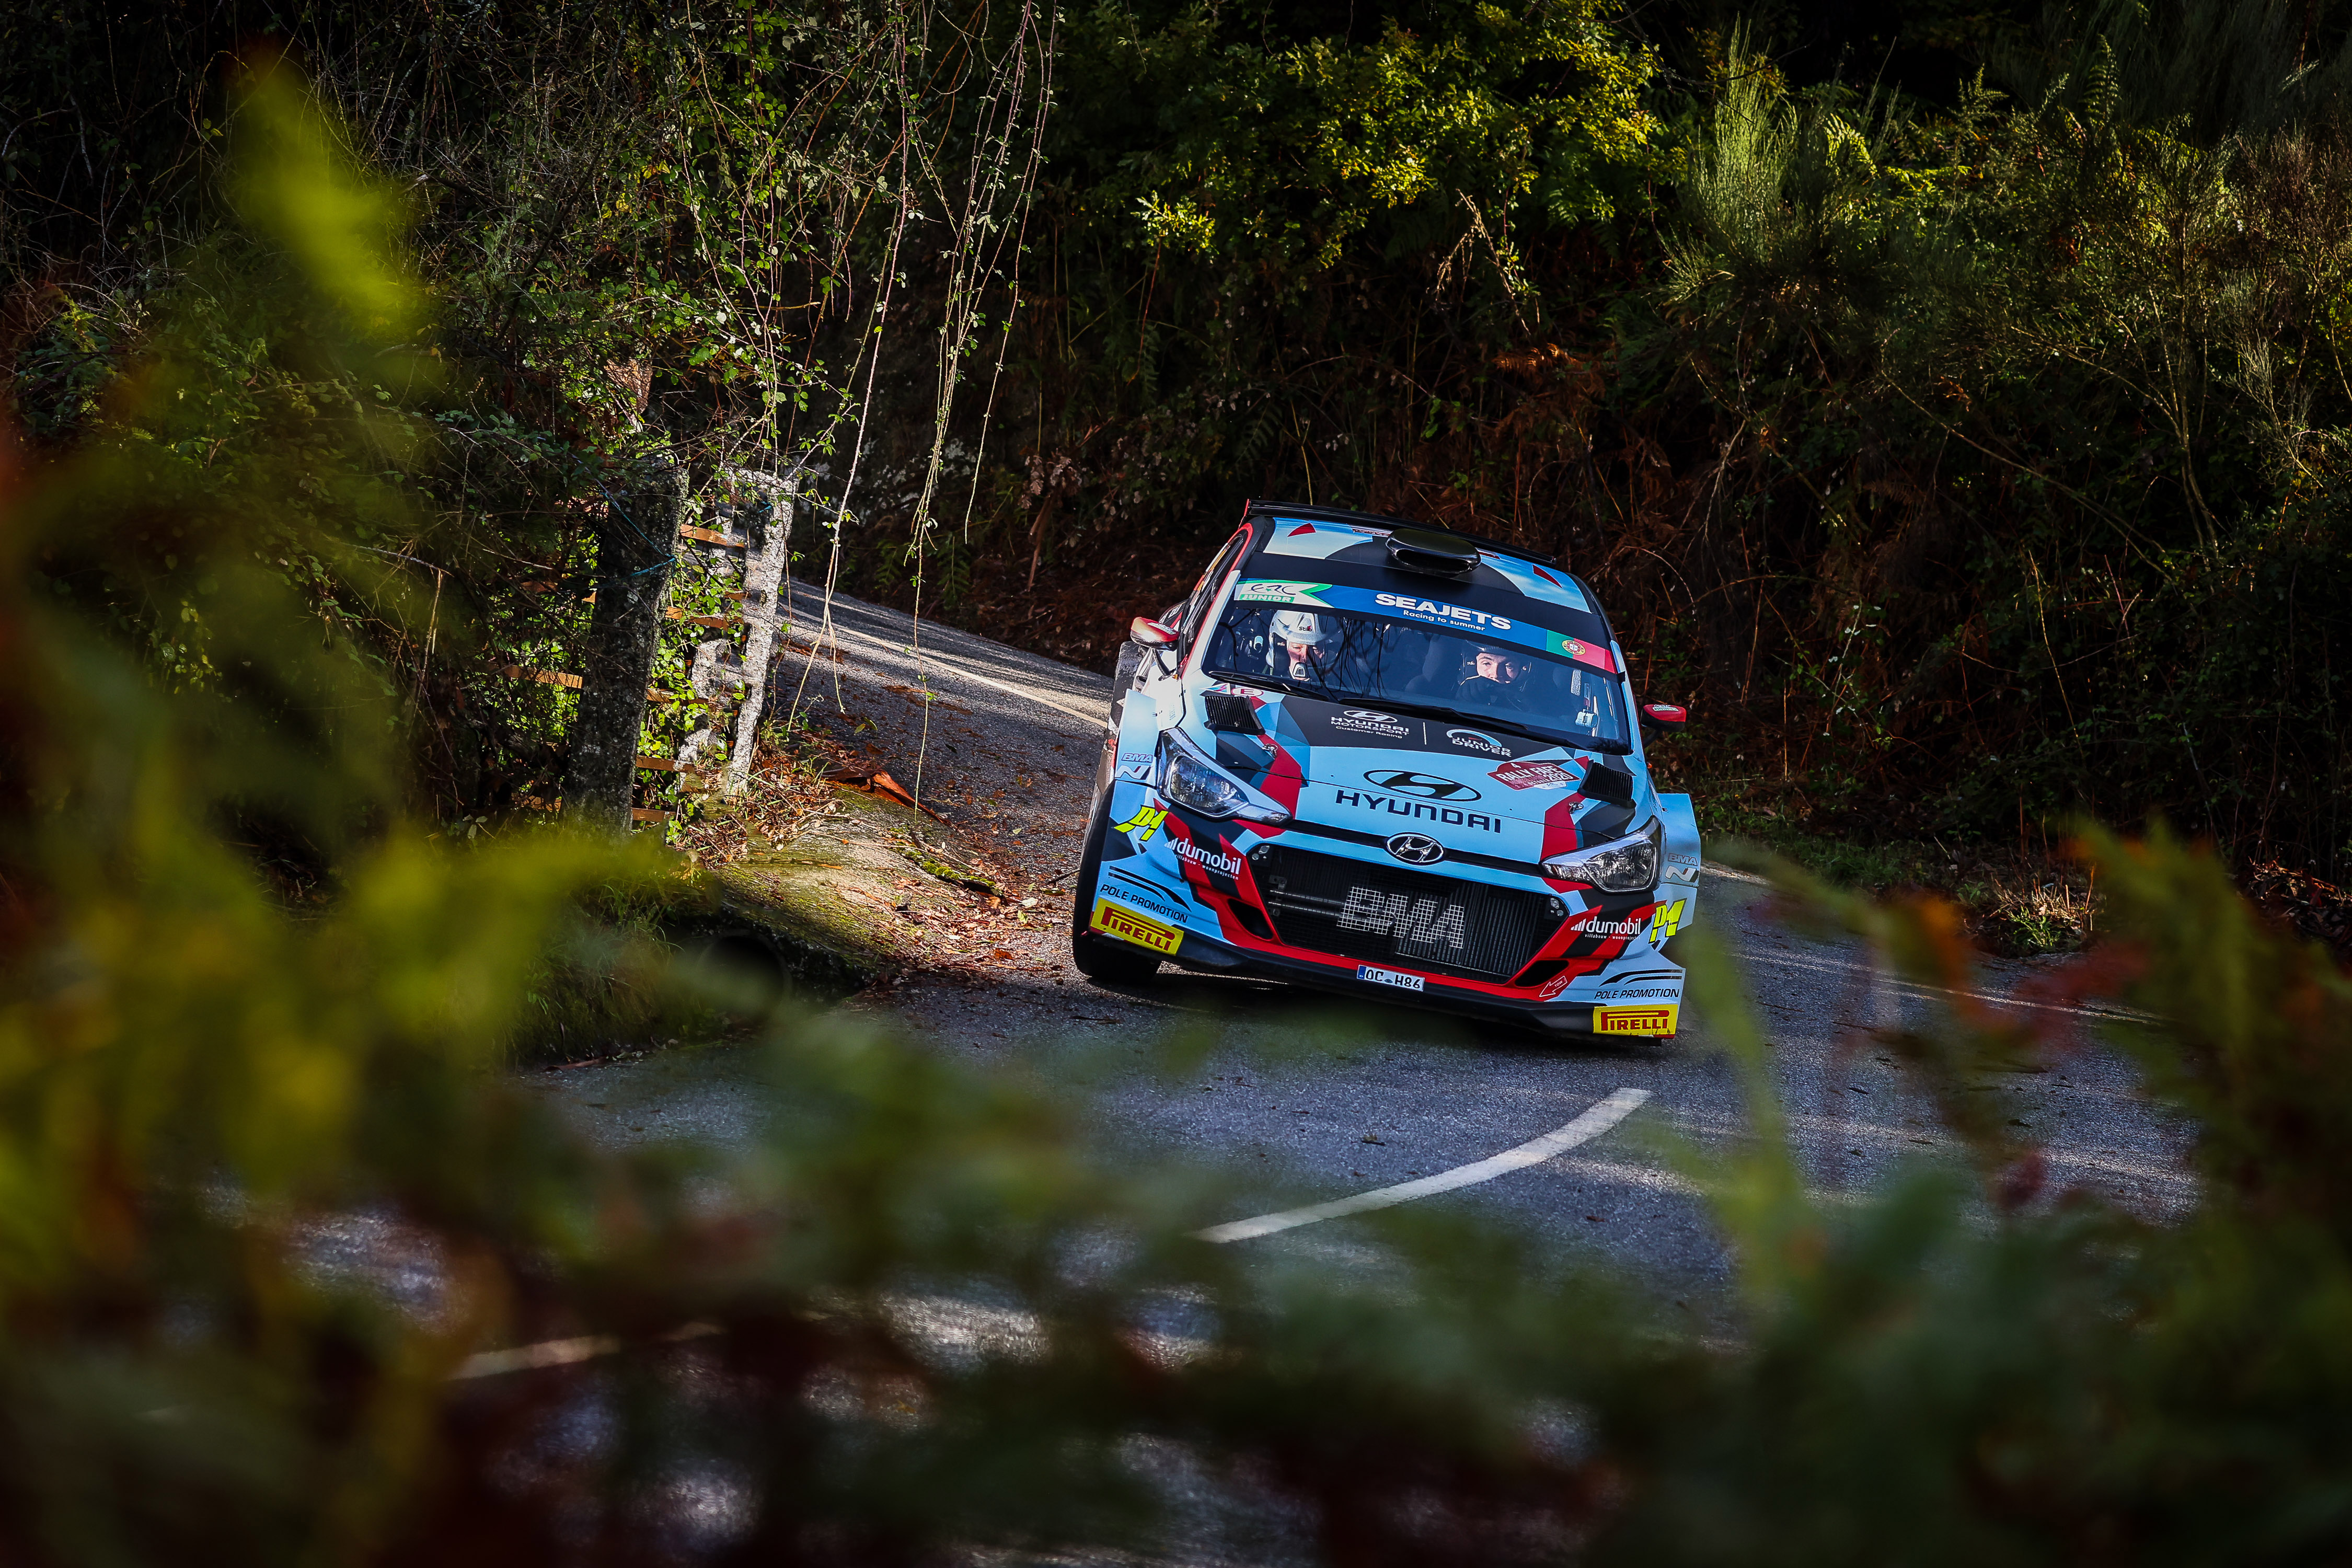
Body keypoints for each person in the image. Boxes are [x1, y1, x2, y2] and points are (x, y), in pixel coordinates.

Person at [1457, 642, 1533, 709]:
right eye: (1487, 664)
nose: (1495, 675)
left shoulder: (1531, 711)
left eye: (1509, 666)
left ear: (1522, 671)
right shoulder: (1451, 701)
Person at [1268, 609, 1335, 682]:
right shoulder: (1261, 678)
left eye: (1315, 649)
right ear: (1283, 648)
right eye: (1297, 648)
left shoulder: (1340, 683)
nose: (1305, 658)